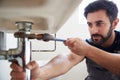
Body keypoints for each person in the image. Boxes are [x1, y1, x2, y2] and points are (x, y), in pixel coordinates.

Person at [10, 0, 120, 80]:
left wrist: (88, 50)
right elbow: (68, 58)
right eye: (90, 24)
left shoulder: (88, 47)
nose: (93, 30)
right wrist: (40, 73)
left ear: (114, 23)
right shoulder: (90, 44)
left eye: (99, 24)